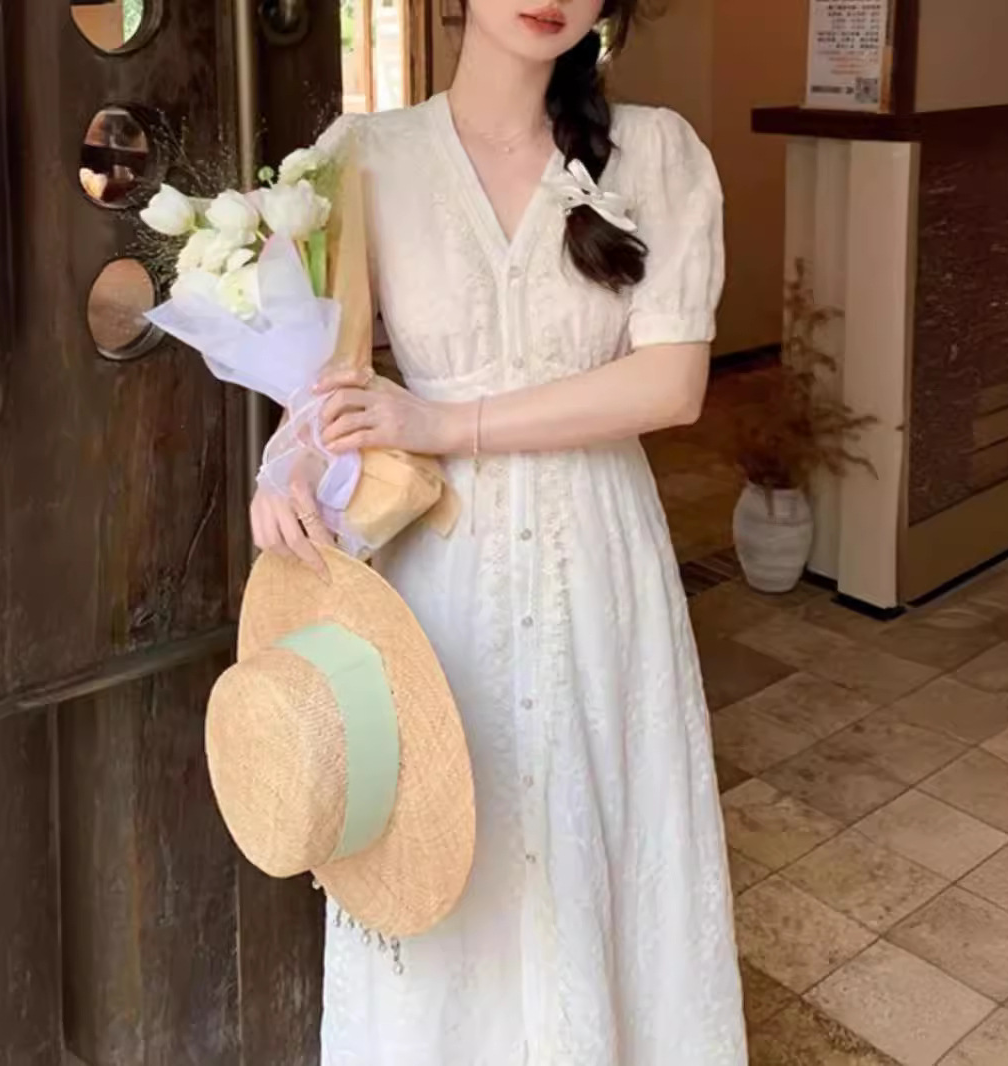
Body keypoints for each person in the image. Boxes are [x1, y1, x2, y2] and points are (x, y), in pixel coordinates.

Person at [250, 0, 747, 1059]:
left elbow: (671, 384)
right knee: (445, 847)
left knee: (595, 842)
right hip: (441, 579)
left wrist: (449, 422)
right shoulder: (364, 156)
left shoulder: (655, 151)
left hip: (598, 562)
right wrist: (284, 471)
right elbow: (330, 382)